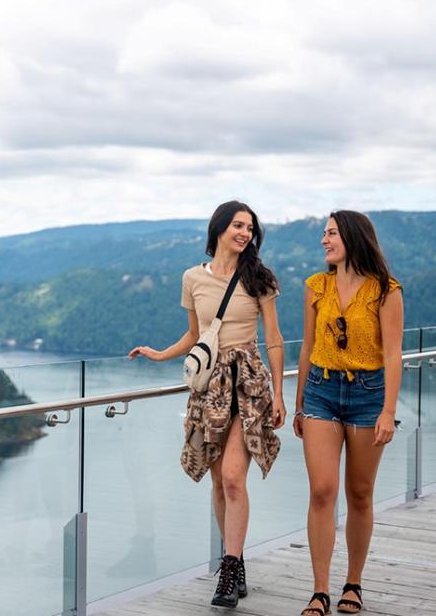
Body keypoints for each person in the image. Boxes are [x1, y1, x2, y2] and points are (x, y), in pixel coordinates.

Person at [129, 200, 287, 609]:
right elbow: (196, 336)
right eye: (238, 225)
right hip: (210, 387)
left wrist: (280, 395)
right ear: (219, 228)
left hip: (248, 384)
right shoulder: (192, 279)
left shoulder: (259, 279)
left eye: (250, 228)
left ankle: (230, 567)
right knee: (218, 481)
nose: (245, 233)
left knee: (234, 476)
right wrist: (160, 355)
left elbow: (273, 338)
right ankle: (235, 563)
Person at [293, 210, 403, 616]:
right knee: (322, 491)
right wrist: (301, 402)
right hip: (321, 391)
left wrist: (388, 411)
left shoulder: (385, 291)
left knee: (360, 493)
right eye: (324, 234)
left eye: (332, 233)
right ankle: (319, 591)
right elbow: (305, 347)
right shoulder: (315, 287)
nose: (324, 240)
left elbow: (393, 354)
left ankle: (353, 582)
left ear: (353, 237)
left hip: (368, 395)